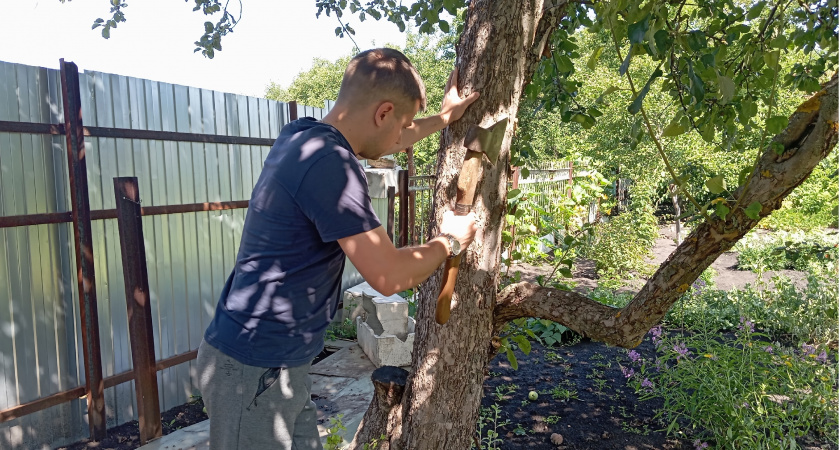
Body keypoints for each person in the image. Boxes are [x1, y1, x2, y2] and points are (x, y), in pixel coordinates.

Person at [196, 47, 480, 449]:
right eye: (402, 123)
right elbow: (388, 276)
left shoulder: (302, 136)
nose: (404, 137)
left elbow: (393, 140)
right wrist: (448, 240)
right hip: (252, 369)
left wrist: (446, 117)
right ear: (382, 112)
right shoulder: (330, 165)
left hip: (276, 363)